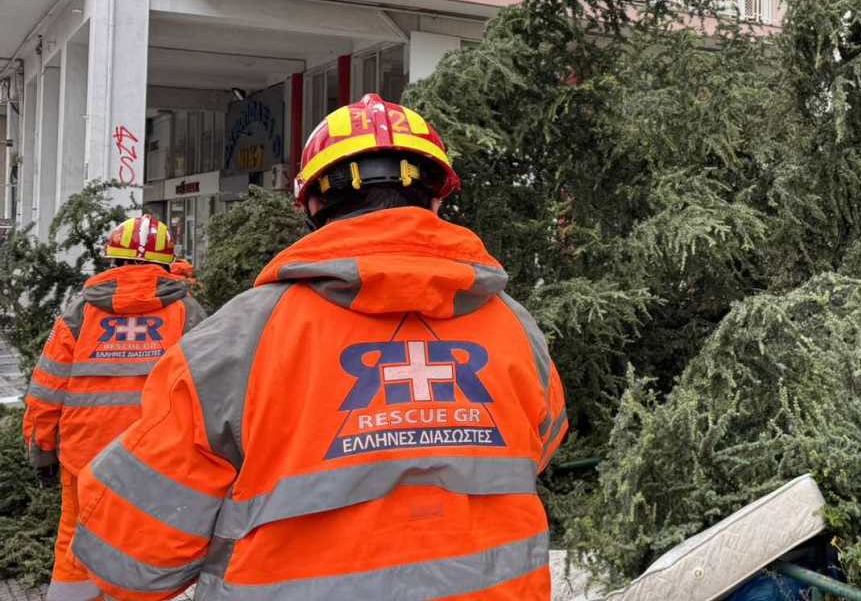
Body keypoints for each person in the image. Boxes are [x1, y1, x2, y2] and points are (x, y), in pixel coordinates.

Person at [73, 94, 567, 601]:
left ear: (310, 203)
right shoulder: (514, 325)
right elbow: (540, 444)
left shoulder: (237, 340)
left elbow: (131, 555)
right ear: (437, 200)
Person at [23, 214, 207, 601]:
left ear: (114, 261)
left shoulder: (80, 314)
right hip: (159, 462)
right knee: (151, 547)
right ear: (166, 263)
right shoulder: (187, 313)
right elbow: (210, 389)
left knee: (76, 548)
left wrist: (43, 454)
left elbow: (46, 391)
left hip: (83, 456)